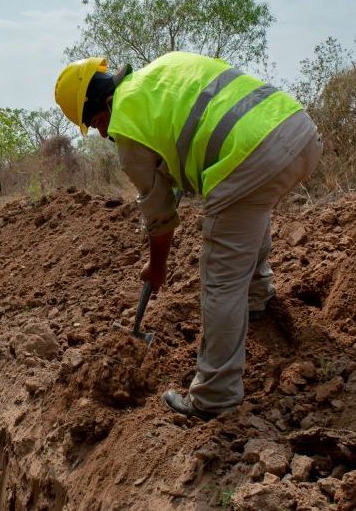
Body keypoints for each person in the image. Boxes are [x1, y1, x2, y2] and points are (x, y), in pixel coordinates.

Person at [55, 51, 322, 420]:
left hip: (250, 153)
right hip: (297, 131)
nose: (103, 133)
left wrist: (157, 267)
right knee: (247, 208)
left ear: (102, 105)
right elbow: (194, 122)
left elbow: (160, 217)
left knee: (221, 280)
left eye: (98, 124)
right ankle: (257, 298)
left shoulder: (127, 124)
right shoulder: (163, 70)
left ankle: (214, 395)